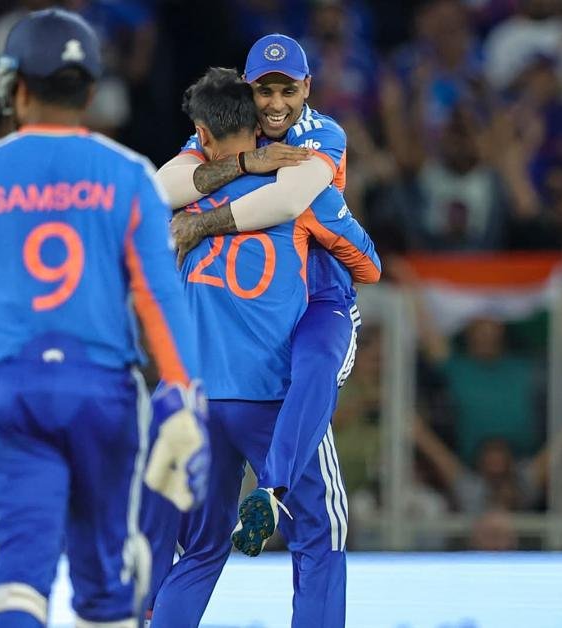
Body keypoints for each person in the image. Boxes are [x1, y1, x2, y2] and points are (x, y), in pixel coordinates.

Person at [0, 9, 207, 627]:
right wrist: (182, 398)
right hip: (104, 391)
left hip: (11, 388)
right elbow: (160, 299)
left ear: (14, 87)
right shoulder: (130, 175)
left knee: (18, 571)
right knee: (106, 578)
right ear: (91, 91)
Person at [153, 34, 380, 624]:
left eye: (287, 90)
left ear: (307, 89)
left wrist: (201, 223)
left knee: (316, 366)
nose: (276, 103)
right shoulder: (238, 141)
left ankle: (272, 489)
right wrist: (246, 164)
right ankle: (277, 490)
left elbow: (287, 203)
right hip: (275, 332)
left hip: (315, 300)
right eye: (265, 91)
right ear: (249, 91)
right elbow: (168, 185)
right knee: (322, 524)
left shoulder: (321, 134)